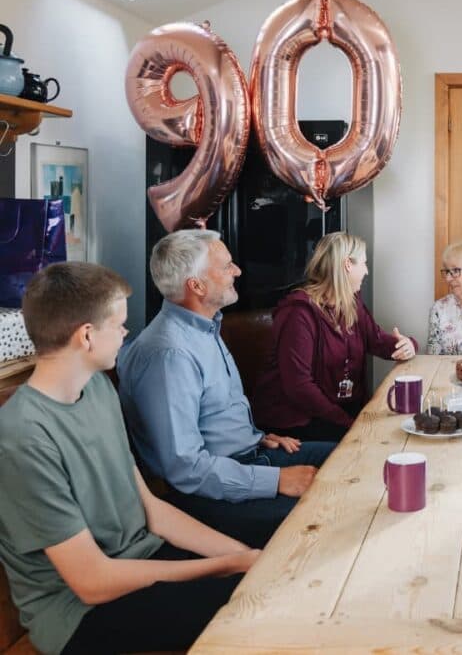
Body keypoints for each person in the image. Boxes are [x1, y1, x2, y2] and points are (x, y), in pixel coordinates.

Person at [0, 263, 258, 655]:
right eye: (119, 324)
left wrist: (242, 554)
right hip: (78, 614)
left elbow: (150, 508)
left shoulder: (99, 389)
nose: (126, 333)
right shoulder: (22, 436)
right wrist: (225, 566)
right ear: (86, 336)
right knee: (252, 608)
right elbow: (93, 581)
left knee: (271, 579)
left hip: (140, 561)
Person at [117, 229, 335, 550]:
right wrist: (277, 480)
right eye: (226, 266)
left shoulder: (204, 325)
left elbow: (213, 414)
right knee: (329, 515)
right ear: (197, 286)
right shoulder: (170, 354)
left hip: (248, 457)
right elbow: (186, 470)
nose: (238, 271)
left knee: (346, 459)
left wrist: (253, 435)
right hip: (209, 495)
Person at [252, 232, 417, 441]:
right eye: (364, 264)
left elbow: (376, 341)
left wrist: (408, 344)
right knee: (379, 440)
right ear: (348, 264)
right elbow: (300, 388)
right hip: (297, 421)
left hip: (335, 414)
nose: (366, 271)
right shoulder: (299, 313)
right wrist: (348, 423)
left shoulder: (350, 302)